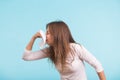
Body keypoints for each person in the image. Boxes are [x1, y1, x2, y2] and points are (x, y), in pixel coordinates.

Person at [22, 21, 106, 80]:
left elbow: (97, 65)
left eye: (48, 33)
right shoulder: (50, 51)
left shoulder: (75, 48)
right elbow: (26, 57)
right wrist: (33, 38)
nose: (45, 35)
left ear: (57, 34)